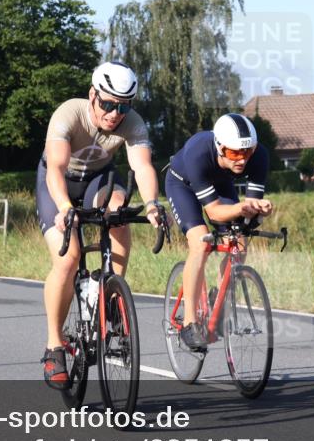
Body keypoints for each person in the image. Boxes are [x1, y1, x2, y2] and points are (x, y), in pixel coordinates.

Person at [37, 61, 166, 387]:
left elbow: (143, 166)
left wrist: (152, 204)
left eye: (123, 106)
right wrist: (65, 207)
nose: (114, 113)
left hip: (99, 179)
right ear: (92, 95)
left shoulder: (132, 123)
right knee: (68, 258)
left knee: (119, 213)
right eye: (107, 104)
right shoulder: (70, 113)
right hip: (59, 182)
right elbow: (56, 166)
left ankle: (112, 298)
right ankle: (54, 346)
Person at [165, 113, 272, 350]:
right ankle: (190, 322)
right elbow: (214, 213)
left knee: (240, 242)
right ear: (219, 147)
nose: (242, 160)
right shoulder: (198, 151)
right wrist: (240, 207)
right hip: (182, 184)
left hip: (220, 184)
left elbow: (247, 212)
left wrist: (260, 210)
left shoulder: (259, 156)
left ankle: (219, 299)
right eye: (234, 153)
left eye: (247, 152)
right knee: (201, 243)